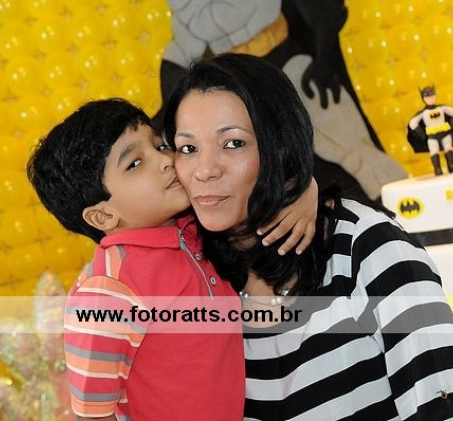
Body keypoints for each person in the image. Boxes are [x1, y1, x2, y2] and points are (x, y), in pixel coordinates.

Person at [163, 53, 453, 420]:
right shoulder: (194, 274)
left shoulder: (367, 247)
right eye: (188, 148)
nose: (204, 170)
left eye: (233, 143)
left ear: (280, 145)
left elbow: (450, 406)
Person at [26, 98, 317, 420]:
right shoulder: (107, 289)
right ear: (103, 216)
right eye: (135, 163)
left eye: (159, 145)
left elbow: (262, 191)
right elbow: (93, 412)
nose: (165, 160)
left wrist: (307, 193)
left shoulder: (199, 224)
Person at [407, 85, 453, 176]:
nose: (430, 99)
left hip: (444, 133)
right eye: (427, 97)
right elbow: (413, 123)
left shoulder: (441, 108)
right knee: (434, 150)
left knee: (448, 147)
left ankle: (451, 165)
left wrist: (452, 124)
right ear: (423, 99)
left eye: (432, 96)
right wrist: (421, 133)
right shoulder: (423, 113)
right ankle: (437, 169)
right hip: (432, 135)